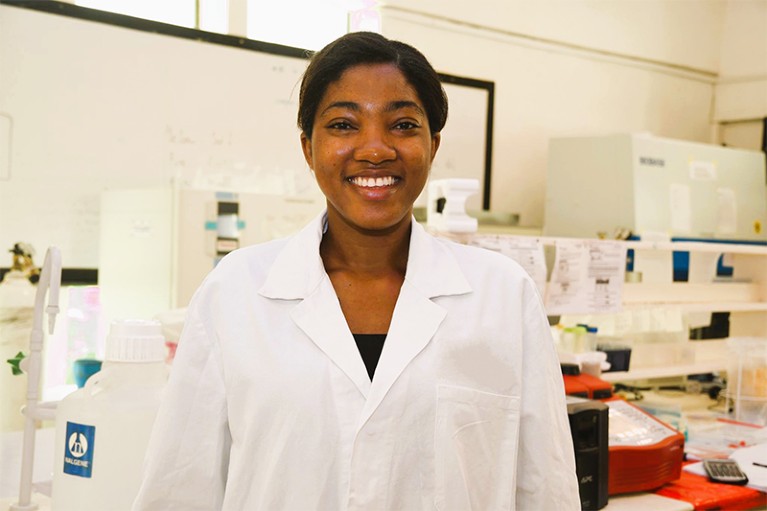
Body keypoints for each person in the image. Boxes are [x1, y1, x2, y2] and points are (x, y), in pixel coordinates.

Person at [132, 31, 579, 510]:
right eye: (344, 125)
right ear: (308, 147)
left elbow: (545, 485)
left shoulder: (502, 295)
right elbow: (181, 487)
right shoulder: (236, 291)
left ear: (432, 145)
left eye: (403, 125)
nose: (374, 148)